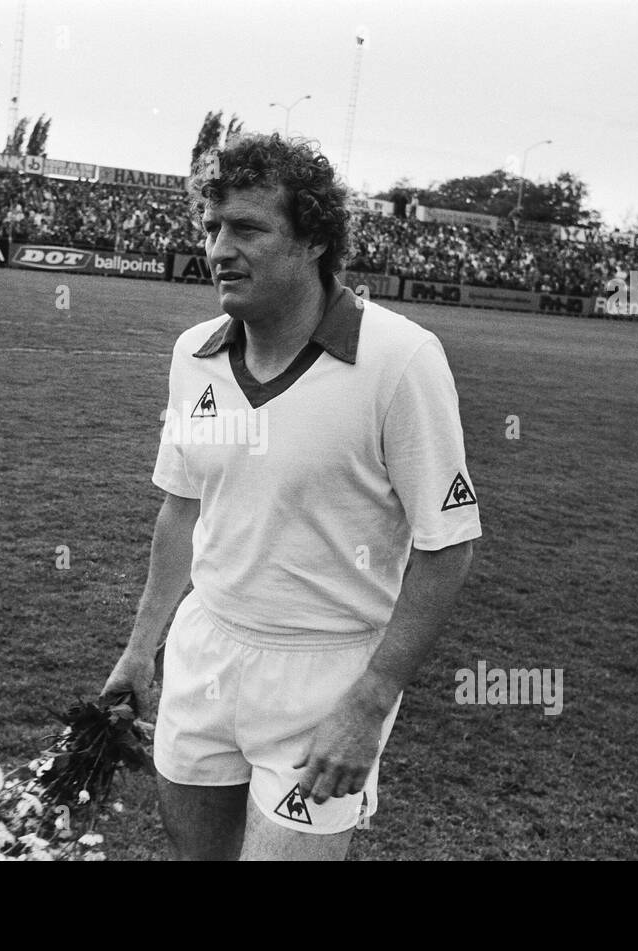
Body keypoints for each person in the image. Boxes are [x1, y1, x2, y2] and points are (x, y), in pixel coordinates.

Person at [101, 132, 481, 861]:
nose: (218, 248)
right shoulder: (194, 354)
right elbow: (181, 509)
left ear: (313, 240)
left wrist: (370, 703)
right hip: (205, 654)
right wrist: (140, 649)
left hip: (326, 677)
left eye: (247, 228)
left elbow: (449, 546)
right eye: (211, 227)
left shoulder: (399, 360)